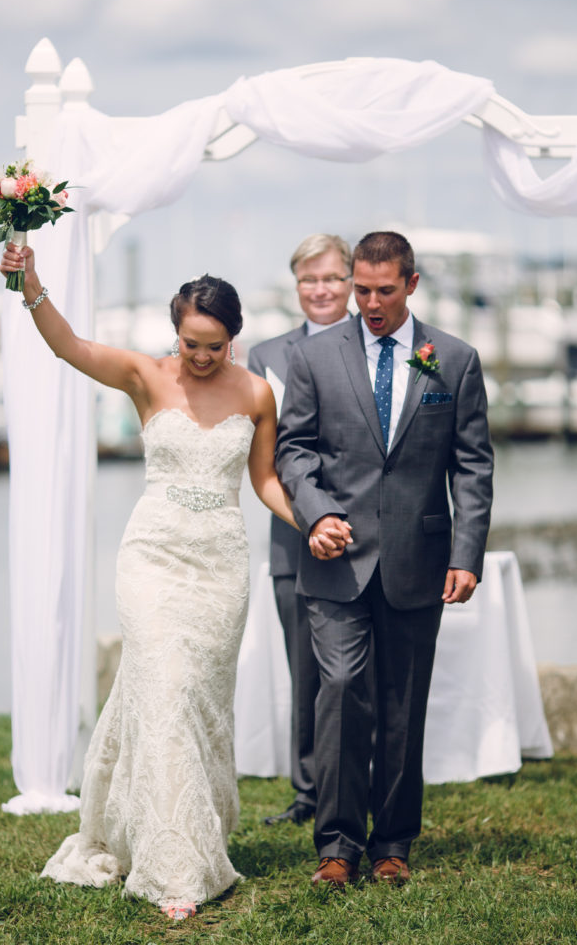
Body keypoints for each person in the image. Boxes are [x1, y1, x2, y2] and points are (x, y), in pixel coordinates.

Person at [0, 241, 345, 920]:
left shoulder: (255, 392)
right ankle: (175, 868)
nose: (202, 357)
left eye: (215, 346)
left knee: (197, 700)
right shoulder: (144, 376)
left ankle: (188, 829)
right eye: (192, 342)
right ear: (176, 332)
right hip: (152, 556)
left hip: (218, 564)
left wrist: (309, 522)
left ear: (233, 339)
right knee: (163, 686)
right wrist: (30, 281)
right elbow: (67, 345)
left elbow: (266, 480)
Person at [275, 230, 493, 889]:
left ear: (411, 285)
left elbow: (473, 464)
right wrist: (319, 513)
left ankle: (392, 844)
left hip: (417, 562)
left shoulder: (450, 360)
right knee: (340, 690)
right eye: (360, 289)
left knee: (403, 702)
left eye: (382, 290)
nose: (368, 302)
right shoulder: (315, 358)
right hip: (335, 564)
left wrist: (467, 551)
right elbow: (295, 450)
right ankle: (336, 848)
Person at [247, 233, 353, 826]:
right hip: (292, 538)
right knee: (305, 669)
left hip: (366, 531)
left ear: (350, 283)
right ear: (296, 287)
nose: (320, 290)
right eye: (309, 279)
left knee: (358, 673)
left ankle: (361, 786)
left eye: (332, 278)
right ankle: (309, 792)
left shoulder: (375, 346)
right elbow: (267, 457)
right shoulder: (266, 355)